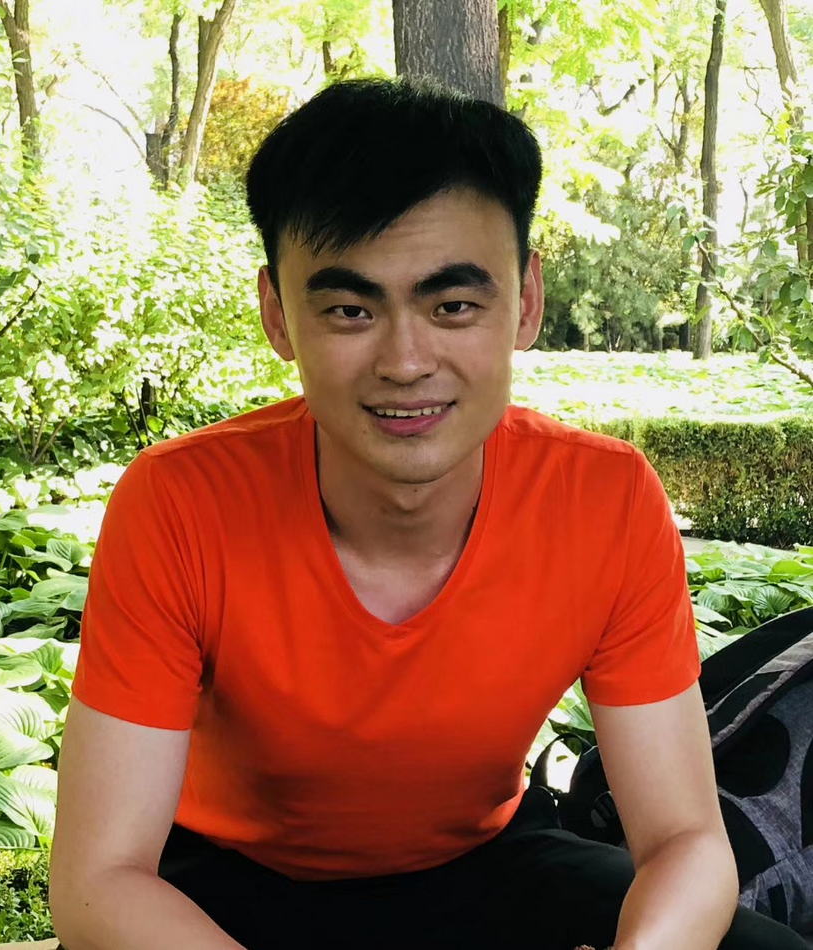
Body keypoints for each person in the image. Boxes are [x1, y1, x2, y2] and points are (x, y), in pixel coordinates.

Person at [48, 79, 810, 950]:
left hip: (486, 866)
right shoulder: (181, 501)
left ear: (526, 301)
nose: (406, 362)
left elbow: (684, 840)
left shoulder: (605, 499)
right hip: (227, 881)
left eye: (453, 306)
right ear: (277, 316)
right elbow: (99, 880)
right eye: (349, 310)